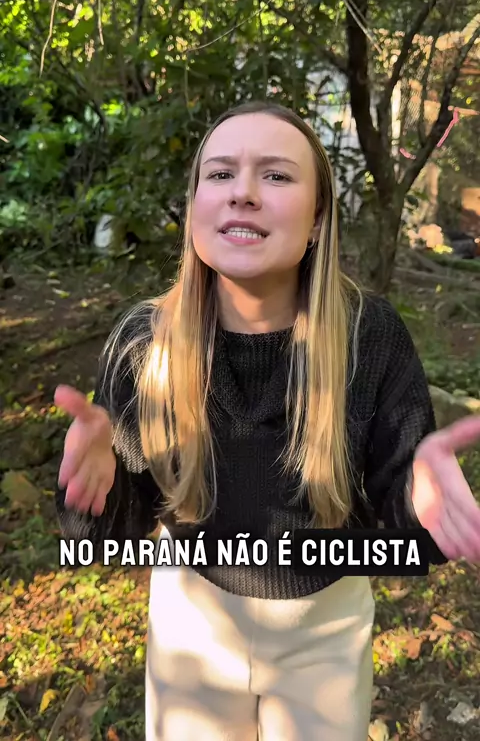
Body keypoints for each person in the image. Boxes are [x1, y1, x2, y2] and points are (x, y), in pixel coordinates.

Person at [55, 101, 480, 741]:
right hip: (191, 625)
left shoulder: (370, 336)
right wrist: (96, 491)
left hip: (326, 628)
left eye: (276, 175)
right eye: (221, 174)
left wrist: (419, 504)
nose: (244, 193)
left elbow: (398, 509)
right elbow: (113, 530)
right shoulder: (145, 343)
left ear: (318, 218)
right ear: (195, 206)